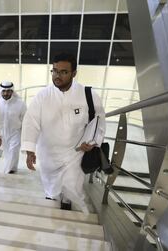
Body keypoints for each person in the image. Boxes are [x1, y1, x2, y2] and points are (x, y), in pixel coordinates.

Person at [21, 52, 105, 213]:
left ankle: (70, 208)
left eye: (63, 72)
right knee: (51, 187)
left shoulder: (88, 95)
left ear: (74, 73)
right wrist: (30, 149)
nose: (57, 76)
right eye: (54, 71)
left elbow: (99, 120)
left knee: (72, 186)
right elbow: (31, 122)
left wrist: (93, 142)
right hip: (49, 155)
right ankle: (53, 206)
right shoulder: (42, 96)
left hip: (75, 153)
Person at [0, 81, 26, 174]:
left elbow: (25, 120)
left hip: (15, 132)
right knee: (6, 153)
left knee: (14, 151)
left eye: (9, 91)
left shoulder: (20, 104)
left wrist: (24, 135)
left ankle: (8, 170)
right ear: (1, 91)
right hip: (2, 133)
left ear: (12, 91)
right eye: (4, 91)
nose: (6, 93)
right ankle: (12, 168)